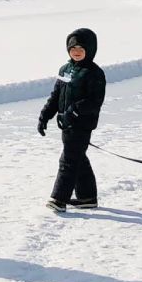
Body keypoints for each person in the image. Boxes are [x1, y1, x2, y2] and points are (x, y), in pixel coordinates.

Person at [38, 28, 106, 213]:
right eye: (72, 48)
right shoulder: (65, 69)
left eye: (81, 48)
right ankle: (87, 197)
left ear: (90, 50)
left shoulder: (94, 73)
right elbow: (56, 94)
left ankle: (59, 199)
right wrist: (45, 115)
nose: (76, 51)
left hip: (82, 125)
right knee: (78, 158)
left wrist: (74, 111)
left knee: (68, 160)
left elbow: (94, 101)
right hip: (66, 124)